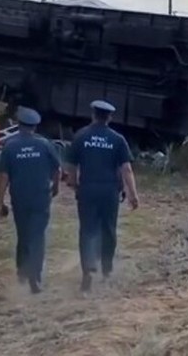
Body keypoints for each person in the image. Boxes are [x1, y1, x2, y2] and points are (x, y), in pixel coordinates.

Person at [63, 100, 139, 293]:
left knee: (87, 230)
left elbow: (71, 165)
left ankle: (87, 269)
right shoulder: (117, 139)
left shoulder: (81, 136)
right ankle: (106, 269)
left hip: (87, 189)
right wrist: (133, 194)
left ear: (93, 115)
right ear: (110, 117)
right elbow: (126, 169)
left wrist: (73, 183)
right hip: (109, 191)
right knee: (108, 229)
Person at [0, 107, 61, 293]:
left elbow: (3, 177)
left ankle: (22, 272)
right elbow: (58, 169)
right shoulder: (45, 145)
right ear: (34, 126)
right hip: (41, 196)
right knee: (38, 236)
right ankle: (35, 275)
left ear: (18, 124)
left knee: (23, 234)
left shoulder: (10, 146)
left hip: (20, 197)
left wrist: (0, 201)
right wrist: (55, 187)